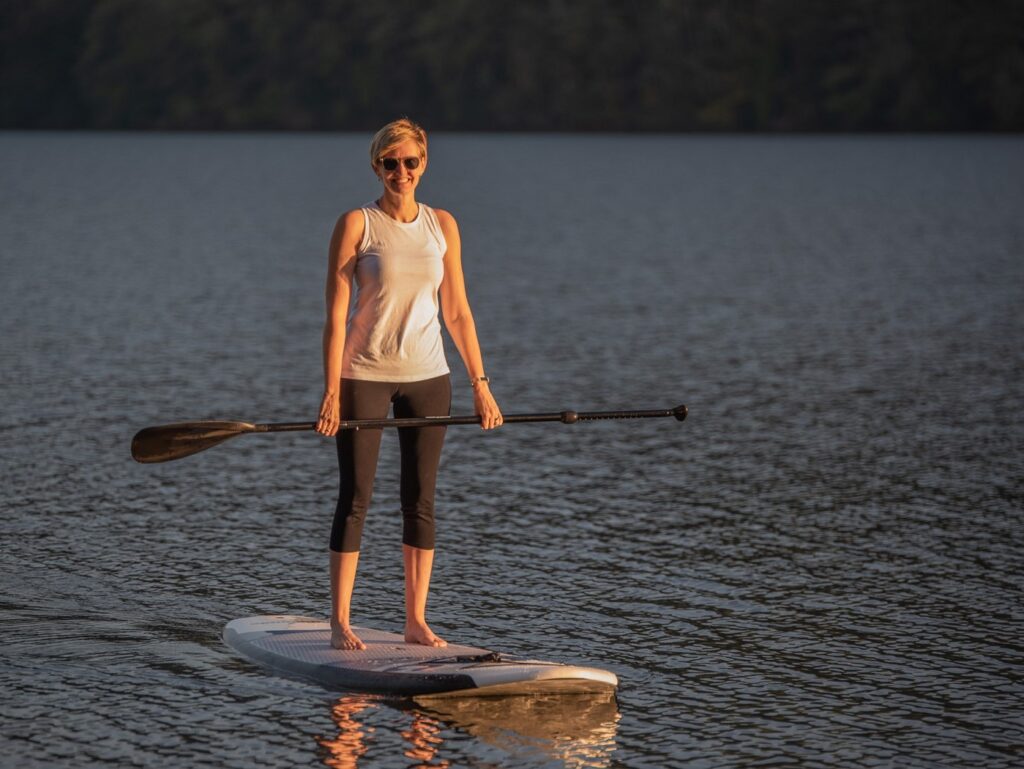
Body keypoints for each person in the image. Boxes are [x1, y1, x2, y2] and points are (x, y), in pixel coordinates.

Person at [315, 118, 503, 651]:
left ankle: (415, 621)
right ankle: (340, 621)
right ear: (376, 166)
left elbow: (459, 312)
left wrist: (480, 384)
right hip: (364, 376)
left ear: (424, 164)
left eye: (410, 162)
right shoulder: (357, 224)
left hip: (429, 377)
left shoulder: (442, 224)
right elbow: (335, 318)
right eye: (389, 163)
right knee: (356, 497)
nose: (400, 171)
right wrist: (331, 392)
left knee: (420, 500)